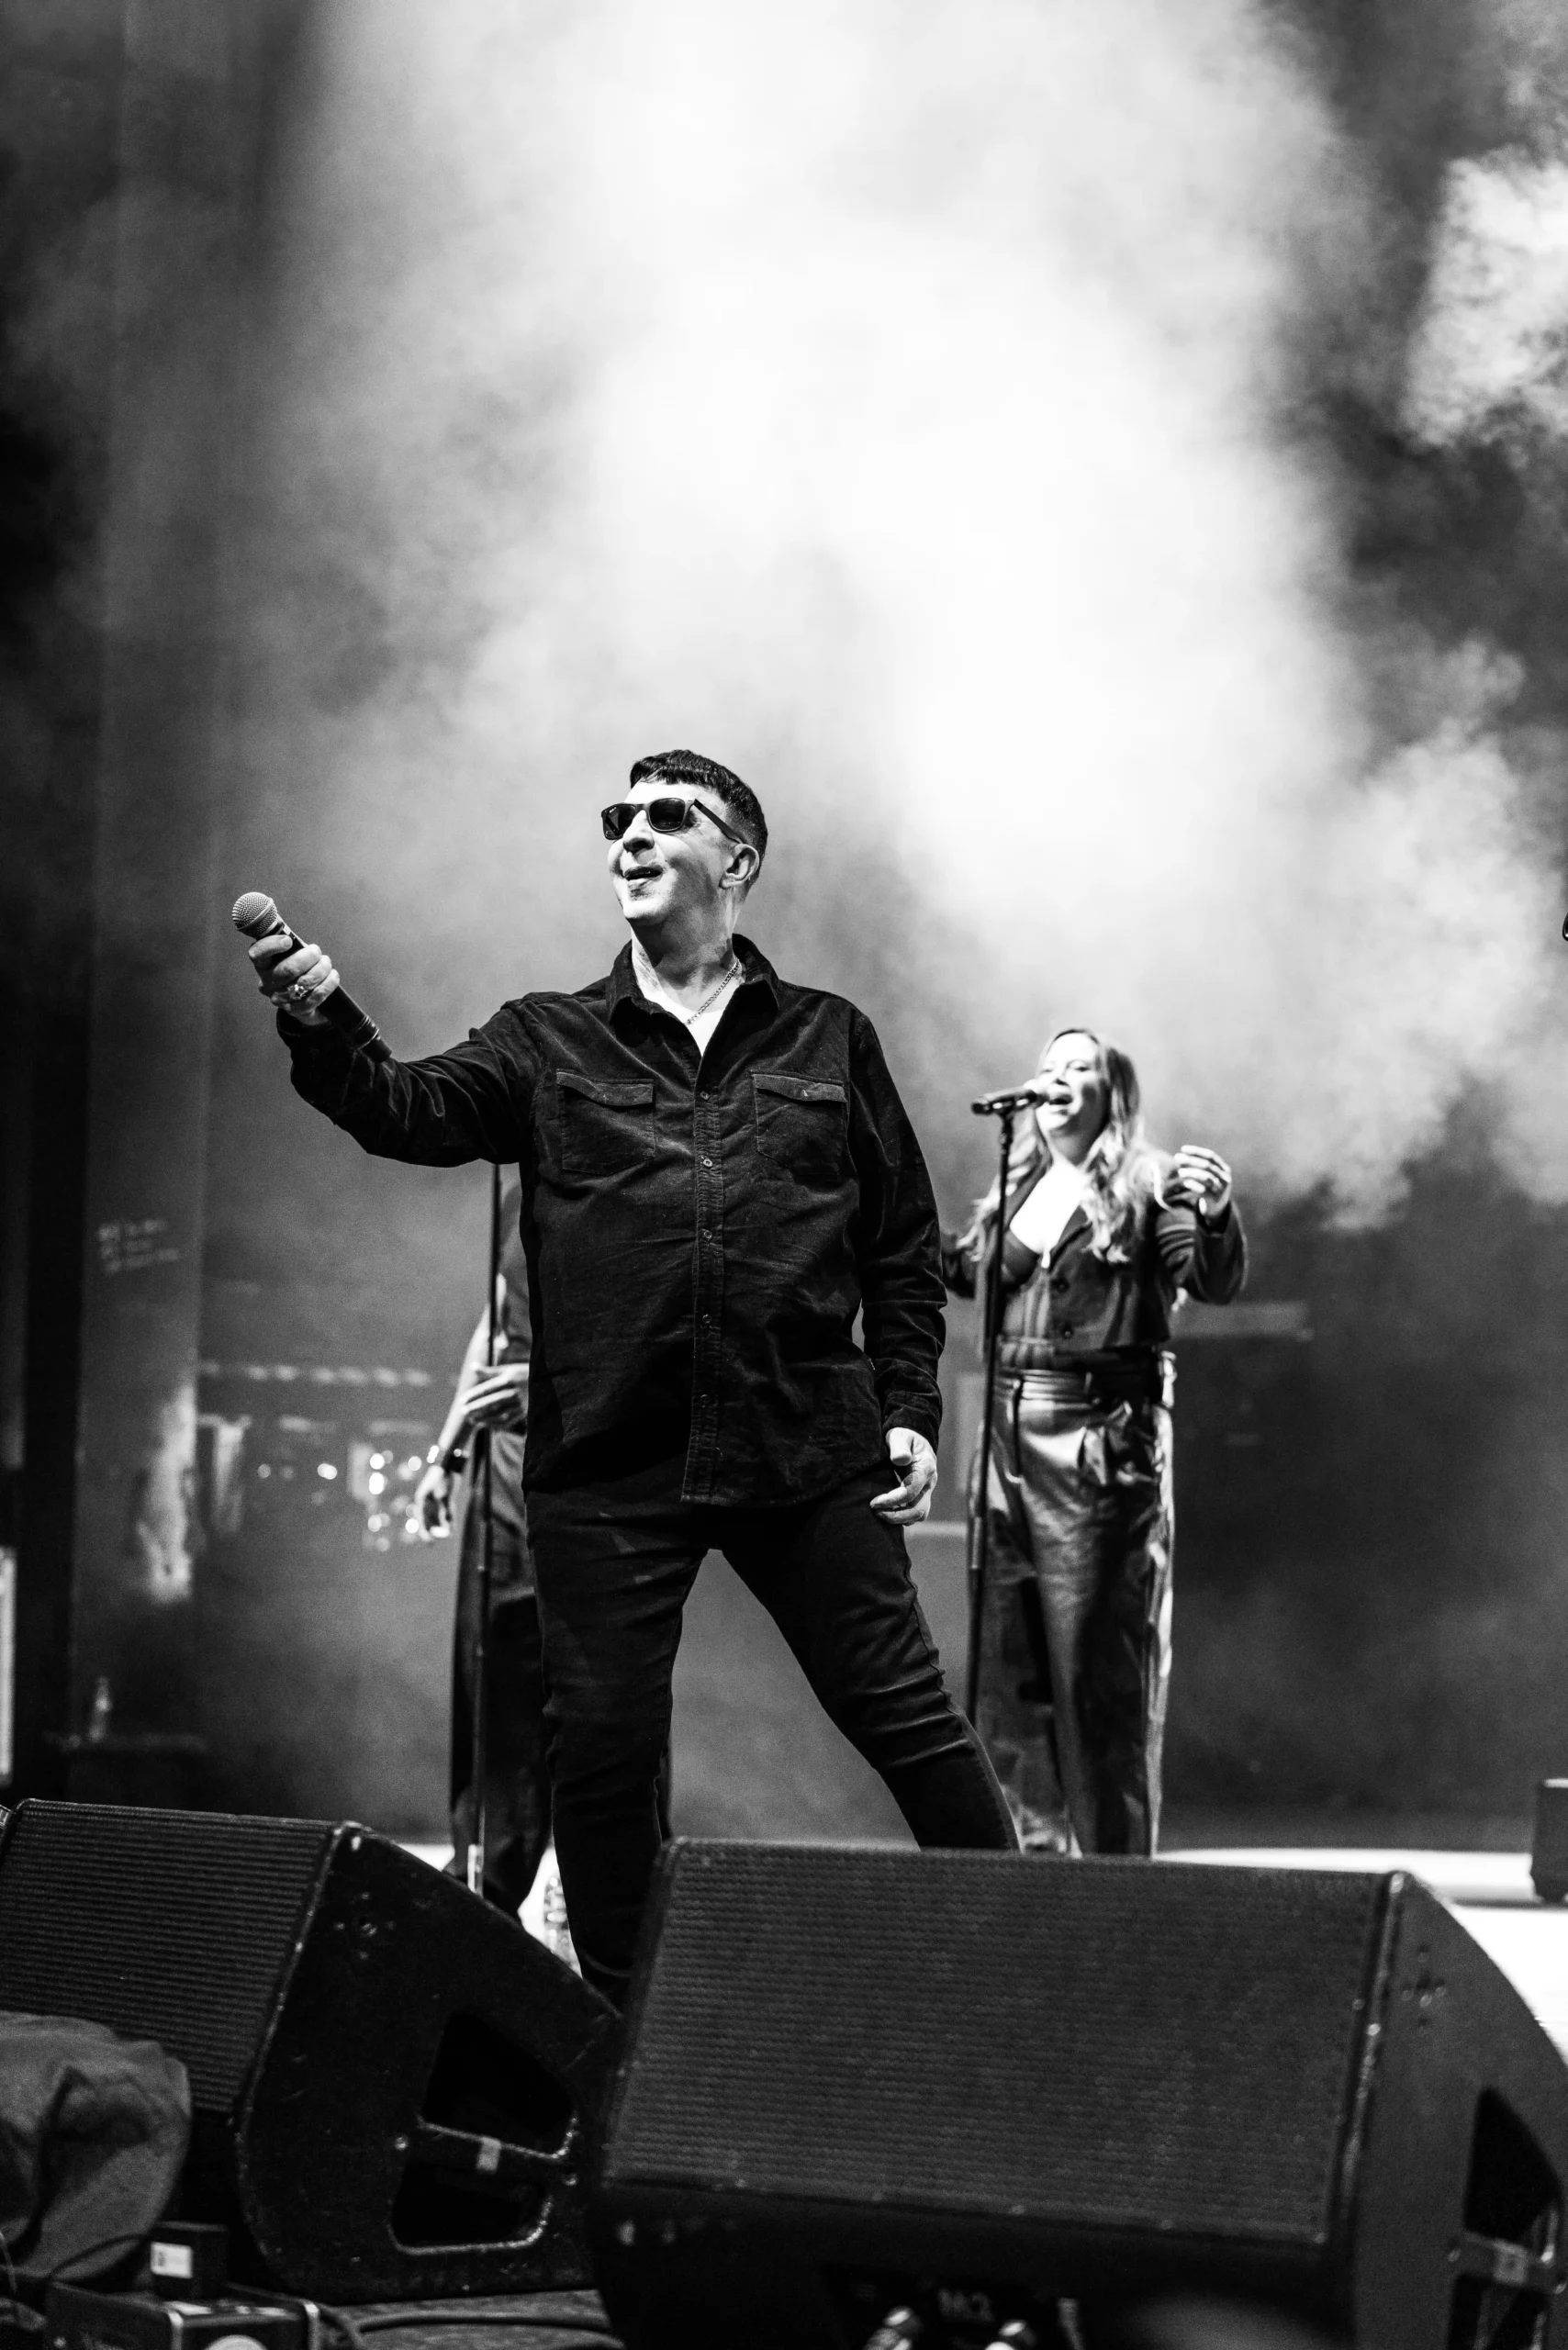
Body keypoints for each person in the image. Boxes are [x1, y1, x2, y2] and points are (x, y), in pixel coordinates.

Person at [250, 747, 1017, 2001]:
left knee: (907, 1716)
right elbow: (404, 1108)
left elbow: (901, 1248)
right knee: (601, 1758)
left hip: (803, 1447)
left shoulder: (830, 1036)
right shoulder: (545, 1037)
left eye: (668, 816)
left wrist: (912, 1407)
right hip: (608, 1464)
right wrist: (321, 1014)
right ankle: (614, 2037)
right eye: (618, 818)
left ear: (739, 861)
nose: (631, 836)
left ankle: (1031, 1975)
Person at [943, 1027, 1246, 1858]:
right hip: (1005, 1435)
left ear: (1113, 1096)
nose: (1057, 1078)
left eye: (1079, 1067)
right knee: (1009, 1670)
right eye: (1048, 1066)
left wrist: (1215, 1214)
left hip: (1098, 1438)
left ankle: (1112, 1879)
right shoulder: (1019, 1187)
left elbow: (1207, 1276)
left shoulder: (1150, 1181)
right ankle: (1028, 1869)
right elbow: (968, 1272)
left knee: (1097, 1670)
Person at [413, 1184, 553, 1919]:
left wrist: (547, 1383)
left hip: (590, 1445)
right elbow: (494, 1324)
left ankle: (624, 1899)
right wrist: (448, 1451)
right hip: (505, 1454)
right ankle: (484, 1885)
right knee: (494, 1661)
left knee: (595, 1678)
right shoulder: (520, 1191)